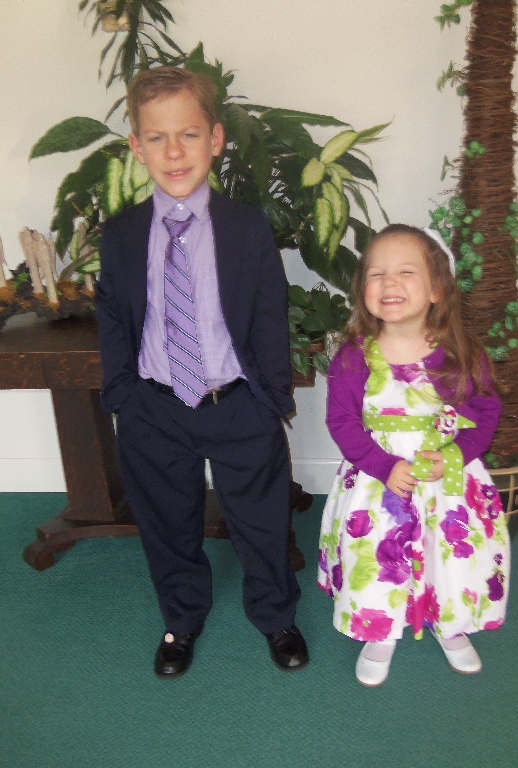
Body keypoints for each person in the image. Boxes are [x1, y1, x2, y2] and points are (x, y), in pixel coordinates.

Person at [95, 66, 308, 679]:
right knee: (166, 521)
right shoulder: (122, 235)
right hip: (154, 407)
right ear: (136, 147)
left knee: (261, 520)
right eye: (156, 137)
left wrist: (271, 398)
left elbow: (268, 312)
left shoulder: (246, 227)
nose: (174, 152)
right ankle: (181, 618)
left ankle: (276, 615)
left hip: (237, 402)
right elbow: (114, 317)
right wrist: (124, 397)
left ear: (215, 139)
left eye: (188, 134)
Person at [318, 224, 510, 686]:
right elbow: (342, 422)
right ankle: (379, 628)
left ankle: (452, 623)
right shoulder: (353, 357)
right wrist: (383, 466)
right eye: (377, 273)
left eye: (406, 271)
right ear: (362, 289)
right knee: (376, 553)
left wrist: (456, 454)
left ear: (437, 289)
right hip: (378, 480)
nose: (389, 282)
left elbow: (486, 413)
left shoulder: (460, 352)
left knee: (452, 554)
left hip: (448, 482)